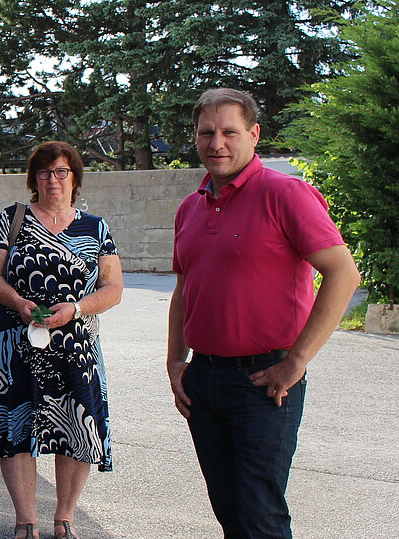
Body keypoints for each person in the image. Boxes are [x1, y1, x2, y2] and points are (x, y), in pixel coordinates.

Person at [168, 88, 361, 538]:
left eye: (230, 132)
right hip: (205, 381)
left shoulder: (286, 194)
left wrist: (296, 361)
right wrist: (176, 362)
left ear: (254, 135)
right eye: (206, 133)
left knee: (260, 515)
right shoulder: (190, 207)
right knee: (230, 512)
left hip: (265, 382)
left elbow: (343, 275)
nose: (217, 143)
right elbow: (183, 288)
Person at [0, 141, 124, 539]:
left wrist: (75, 308)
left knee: (77, 430)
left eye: (61, 172)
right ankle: (26, 520)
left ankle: (65, 518)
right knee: (15, 430)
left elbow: (113, 288)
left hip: (76, 345)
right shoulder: (13, 219)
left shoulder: (95, 227)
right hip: (17, 340)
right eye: (44, 172)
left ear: (74, 177)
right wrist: (18, 301)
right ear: (33, 179)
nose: (53, 179)